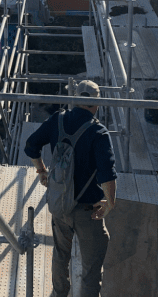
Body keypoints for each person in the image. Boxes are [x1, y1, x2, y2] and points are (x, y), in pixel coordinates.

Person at [24, 80, 117, 297]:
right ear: (97, 103)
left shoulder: (58, 119)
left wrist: (42, 172)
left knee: (60, 254)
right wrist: (110, 203)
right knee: (91, 268)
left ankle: (59, 293)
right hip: (88, 212)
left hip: (59, 204)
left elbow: (31, 145)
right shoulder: (98, 132)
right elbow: (107, 174)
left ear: (74, 99)